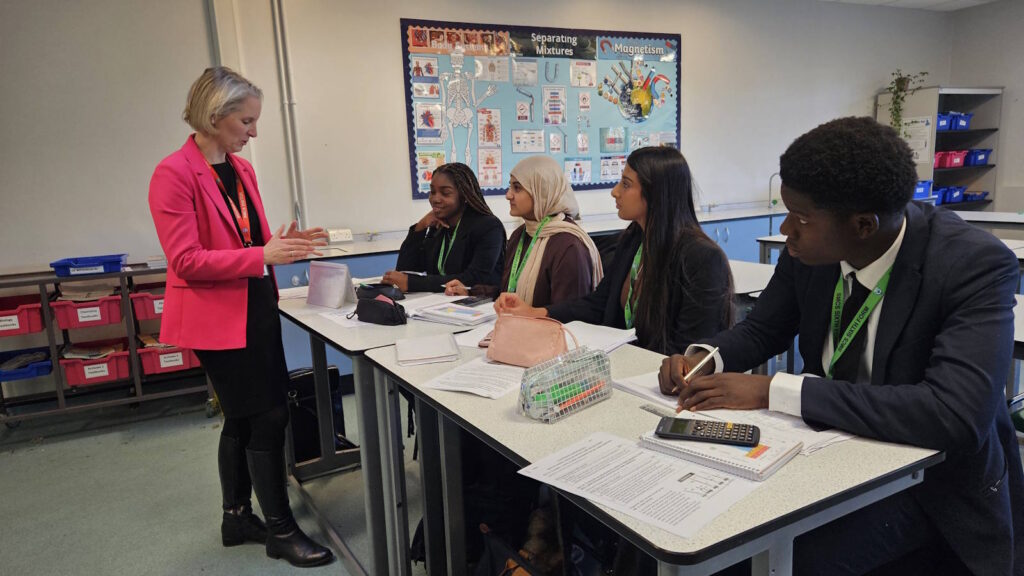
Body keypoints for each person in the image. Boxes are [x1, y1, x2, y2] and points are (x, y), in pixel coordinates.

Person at [660, 117, 1024, 575]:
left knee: (759, 561)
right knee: (691, 531)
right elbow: (762, 329)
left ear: (863, 226)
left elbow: (954, 414)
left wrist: (776, 391)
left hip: (928, 485)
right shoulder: (812, 252)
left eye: (802, 218)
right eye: (787, 210)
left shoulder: (971, 264)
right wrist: (704, 358)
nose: (787, 229)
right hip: (827, 454)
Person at [149, 67, 334, 568]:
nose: (253, 132)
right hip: (216, 314)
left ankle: (237, 518)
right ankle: (279, 529)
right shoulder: (173, 173)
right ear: (215, 115)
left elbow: (246, 241)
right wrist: (261, 257)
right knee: (268, 415)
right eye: (246, 121)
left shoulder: (240, 169)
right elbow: (185, 260)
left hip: (254, 303)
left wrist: (280, 245)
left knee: (244, 415)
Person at [495, 146, 733, 356]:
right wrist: (537, 312)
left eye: (626, 184)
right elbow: (598, 304)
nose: (615, 191)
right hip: (625, 371)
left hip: (662, 385)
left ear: (656, 194)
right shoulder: (634, 240)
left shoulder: (702, 259)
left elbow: (690, 351)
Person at [444, 155, 604, 307]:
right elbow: (509, 292)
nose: (508, 195)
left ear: (541, 192)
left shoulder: (569, 246)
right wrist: (470, 291)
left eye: (517, 188)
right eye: (510, 186)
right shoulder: (520, 234)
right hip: (519, 326)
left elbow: (569, 313)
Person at [382, 162, 505, 293]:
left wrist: (412, 283)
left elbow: (473, 278)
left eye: (445, 193)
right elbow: (406, 269)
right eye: (432, 192)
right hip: (440, 304)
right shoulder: (439, 226)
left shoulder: (488, 226)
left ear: (464, 196)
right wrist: (420, 227)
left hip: (480, 305)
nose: (435, 199)